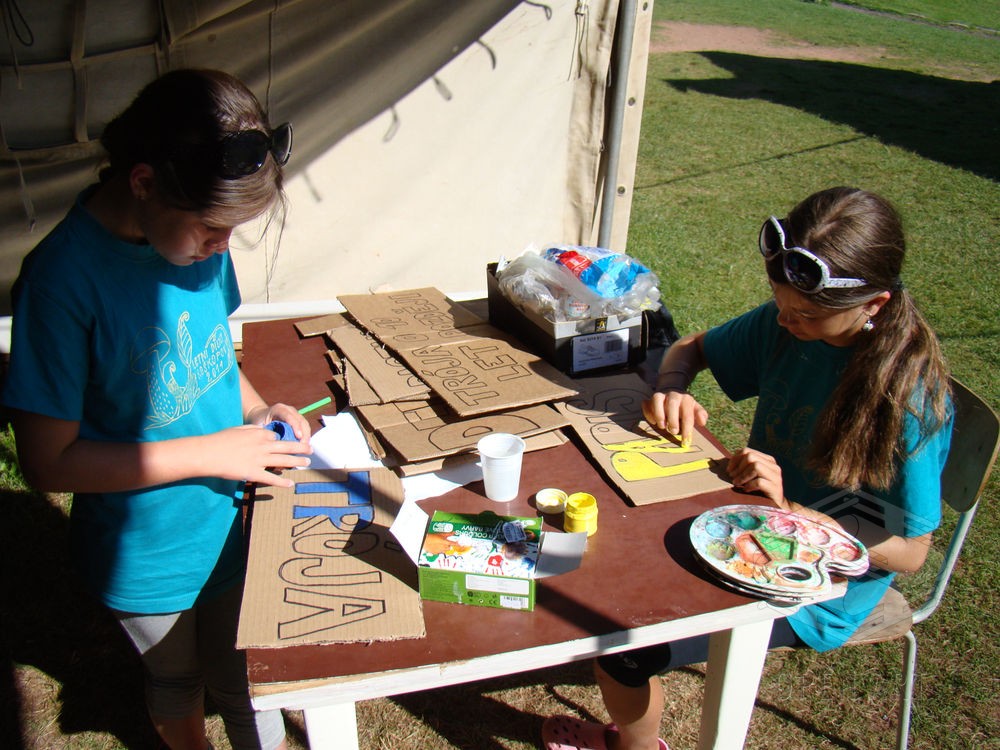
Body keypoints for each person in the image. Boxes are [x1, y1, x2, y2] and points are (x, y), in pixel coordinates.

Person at [541, 186, 953, 750]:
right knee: (614, 553)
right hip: (741, 520)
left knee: (623, 649)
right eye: (780, 303)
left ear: (874, 306)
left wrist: (796, 514)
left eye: (806, 315)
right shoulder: (790, 321)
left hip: (814, 588)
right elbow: (692, 348)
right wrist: (673, 387)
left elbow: (911, 553)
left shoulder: (910, 403)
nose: (785, 320)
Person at [2, 69, 311, 750]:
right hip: (147, 553)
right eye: (212, 229)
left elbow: (215, 358)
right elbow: (48, 463)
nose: (222, 247)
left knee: (247, 676)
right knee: (177, 678)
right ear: (143, 182)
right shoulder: (59, 283)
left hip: (229, 521)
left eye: (232, 230)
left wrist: (257, 412)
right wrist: (215, 452)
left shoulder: (193, 236)